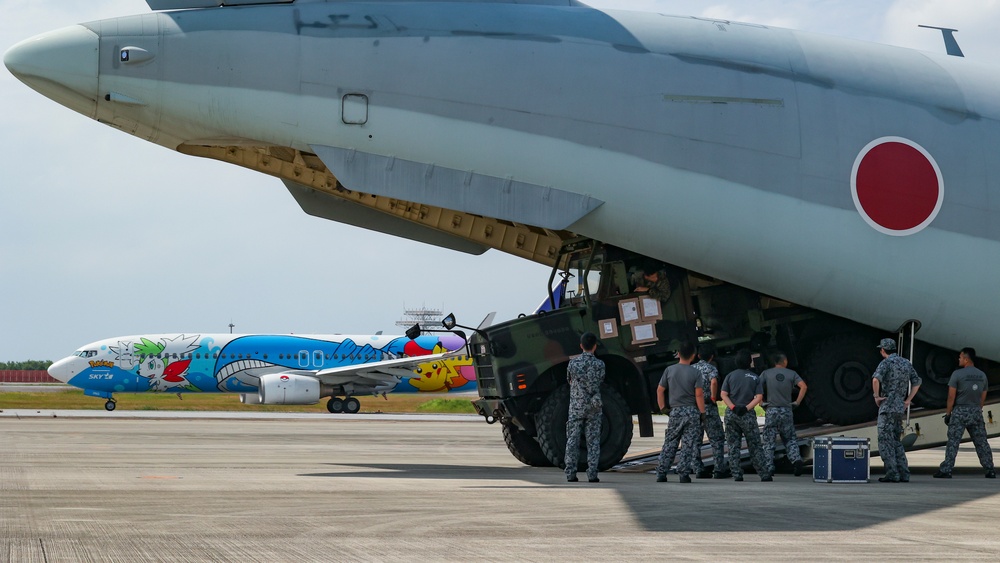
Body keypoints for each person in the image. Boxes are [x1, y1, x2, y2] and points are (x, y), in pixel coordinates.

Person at [933, 347, 996, 479]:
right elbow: (983, 396)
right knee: (981, 442)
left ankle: (946, 470)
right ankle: (990, 469)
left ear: (966, 359)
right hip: (976, 411)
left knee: (953, 442)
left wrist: (948, 414)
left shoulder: (957, 374)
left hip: (960, 411)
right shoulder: (982, 375)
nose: (959, 359)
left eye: (960, 357)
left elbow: (951, 397)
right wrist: (977, 409)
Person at [654, 340, 706, 483]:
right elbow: (699, 395)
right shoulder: (696, 372)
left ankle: (661, 472)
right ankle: (683, 473)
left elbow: (660, 390)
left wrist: (663, 408)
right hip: (691, 412)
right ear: (693, 355)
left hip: (675, 411)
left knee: (670, 442)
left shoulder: (669, 370)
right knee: (688, 444)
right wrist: (702, 412)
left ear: (678, 354)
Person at [871, 337, 921, 483]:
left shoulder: (885, 363)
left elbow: (875, 379)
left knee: (884, 441)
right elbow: (917, 382)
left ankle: (892, 473)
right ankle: (904, 473)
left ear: (882, 350)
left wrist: (876, 396)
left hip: (887, 406)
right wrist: (908, 400)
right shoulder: (906, 363)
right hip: (899, 407)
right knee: (896, 441)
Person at [721, 349, 770, 481]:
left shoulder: (730, 376)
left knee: (733, 445)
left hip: (731, 414)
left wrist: (733, 407)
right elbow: (759, 397)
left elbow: (723, 394)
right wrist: (746, 408)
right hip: (747, 415)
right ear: (750, 362)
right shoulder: (754, 377)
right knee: (755, 445)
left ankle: (736, 473)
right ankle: (764, 474)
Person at [564, 332, 606, 483]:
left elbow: (569, 380)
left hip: (576, 407)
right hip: (594, 407)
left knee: (572, 440)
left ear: (581, 346)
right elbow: (600, 381)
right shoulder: (600, 364)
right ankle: (592, 474)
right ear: (595, 346)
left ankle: (570, 473)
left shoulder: (573, 364)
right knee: (593, 441)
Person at [760, 351, 808, 477]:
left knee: (769, 440)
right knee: (790, 438)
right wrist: (797, 402)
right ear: (785, 361)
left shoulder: (766, 373)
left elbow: (756, 386)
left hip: (771, 410)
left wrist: (761, 402)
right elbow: (803, 386)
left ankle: (769, 467)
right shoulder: (792, 373)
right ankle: (796, 460)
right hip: (787, 410)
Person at [689, 343, 728, 479]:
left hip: (694, 408)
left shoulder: (691, 369)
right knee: (716, 439)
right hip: (708, 407)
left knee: (695, 440)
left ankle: (698, 469)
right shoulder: (711, 368)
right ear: (712, 356)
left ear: (698, 356)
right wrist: (712, 396)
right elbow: (714, 382)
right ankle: (719, 469)